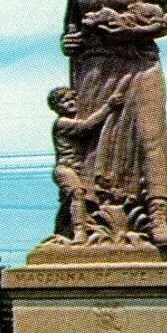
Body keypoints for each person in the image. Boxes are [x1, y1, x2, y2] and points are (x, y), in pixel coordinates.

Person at [61, 0, 167, 247]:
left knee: (150, 137)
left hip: (139, 64)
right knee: (93, 146)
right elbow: (70, 27)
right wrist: (69, 40)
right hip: (95, 71)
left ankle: (158, 218)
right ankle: (84, 225)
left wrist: (128, 29)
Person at [49, 80, 127, 243]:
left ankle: (61, 232)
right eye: (65, 101)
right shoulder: (62, 123)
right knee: (77, 194)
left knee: (69, 204)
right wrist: (108, 106)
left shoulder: (70, 119)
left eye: (72, 99)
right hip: (65, 169)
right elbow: (86, 126)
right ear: (57, 107)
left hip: (78, 170)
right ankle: (79, 233)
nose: (70, 103)